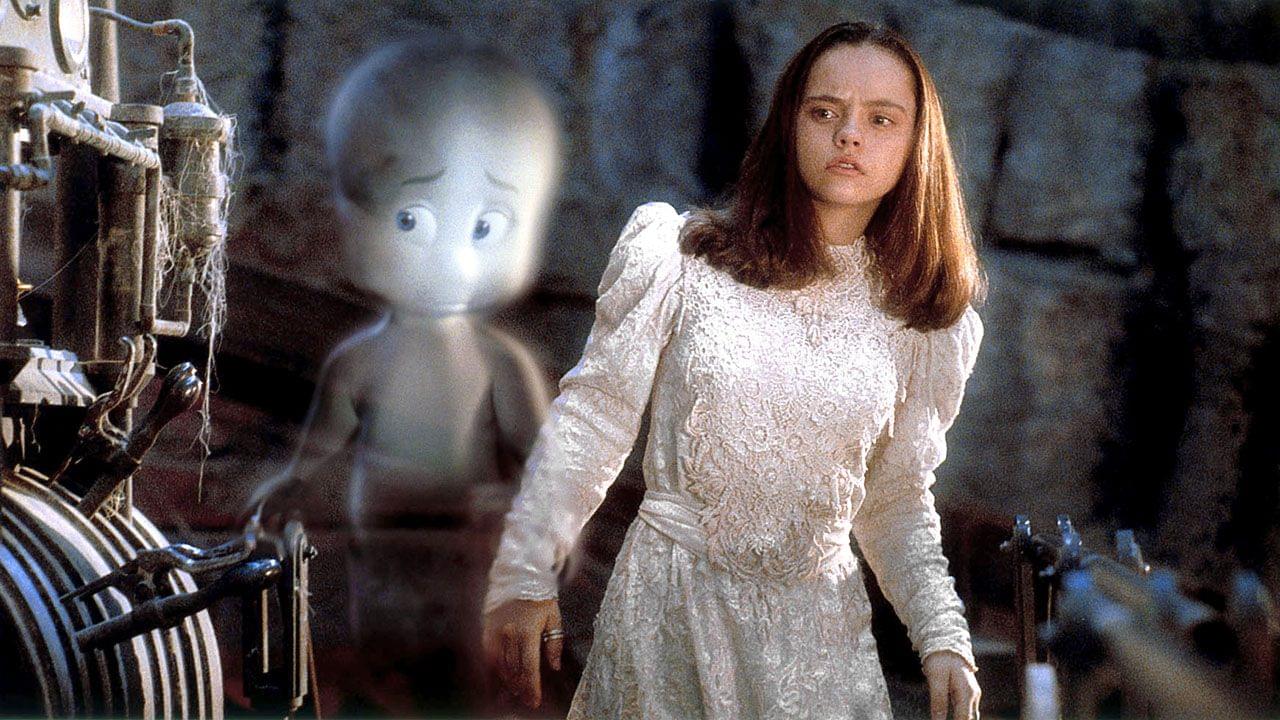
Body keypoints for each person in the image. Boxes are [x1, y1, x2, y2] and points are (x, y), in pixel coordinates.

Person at [483, 20, 984, 720]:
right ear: (790, 124)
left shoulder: (923, 321)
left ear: (915, 145)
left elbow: (895, 499)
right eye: (825, 112)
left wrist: (942, 638)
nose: (849, 135)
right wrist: (523, 571)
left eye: (881, 119)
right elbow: (594, 418)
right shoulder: (680, 258)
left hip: (819, 648)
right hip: (668, 618)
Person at [247, 40, 560, 715]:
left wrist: (544, 527)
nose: (449, 259)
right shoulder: (359, 360)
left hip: (466, 546)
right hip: (380, 543)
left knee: (463, 669)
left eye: (486, 226)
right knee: (383, 660)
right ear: (351, 220)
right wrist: (293, 485)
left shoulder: (499, 363)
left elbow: (546, 461)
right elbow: (323, 442)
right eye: (411, 220)